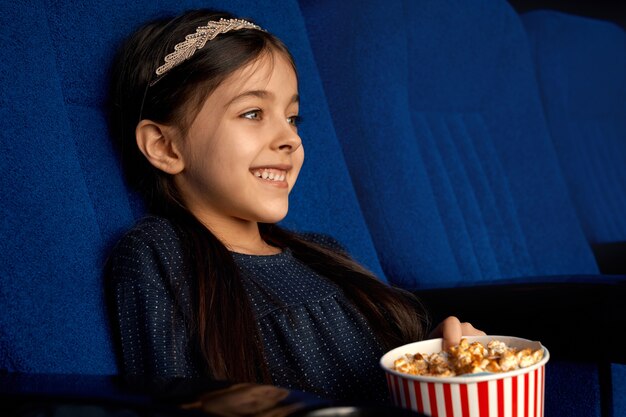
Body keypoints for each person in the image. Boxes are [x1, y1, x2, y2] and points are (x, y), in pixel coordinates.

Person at [106, 8, 484, 406]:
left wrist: (440, 355)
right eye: (252, 113)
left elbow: (396, 367)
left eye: (292, 118)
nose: (290, 139)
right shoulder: (158, 253)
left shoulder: (324, 253)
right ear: (165, 146)